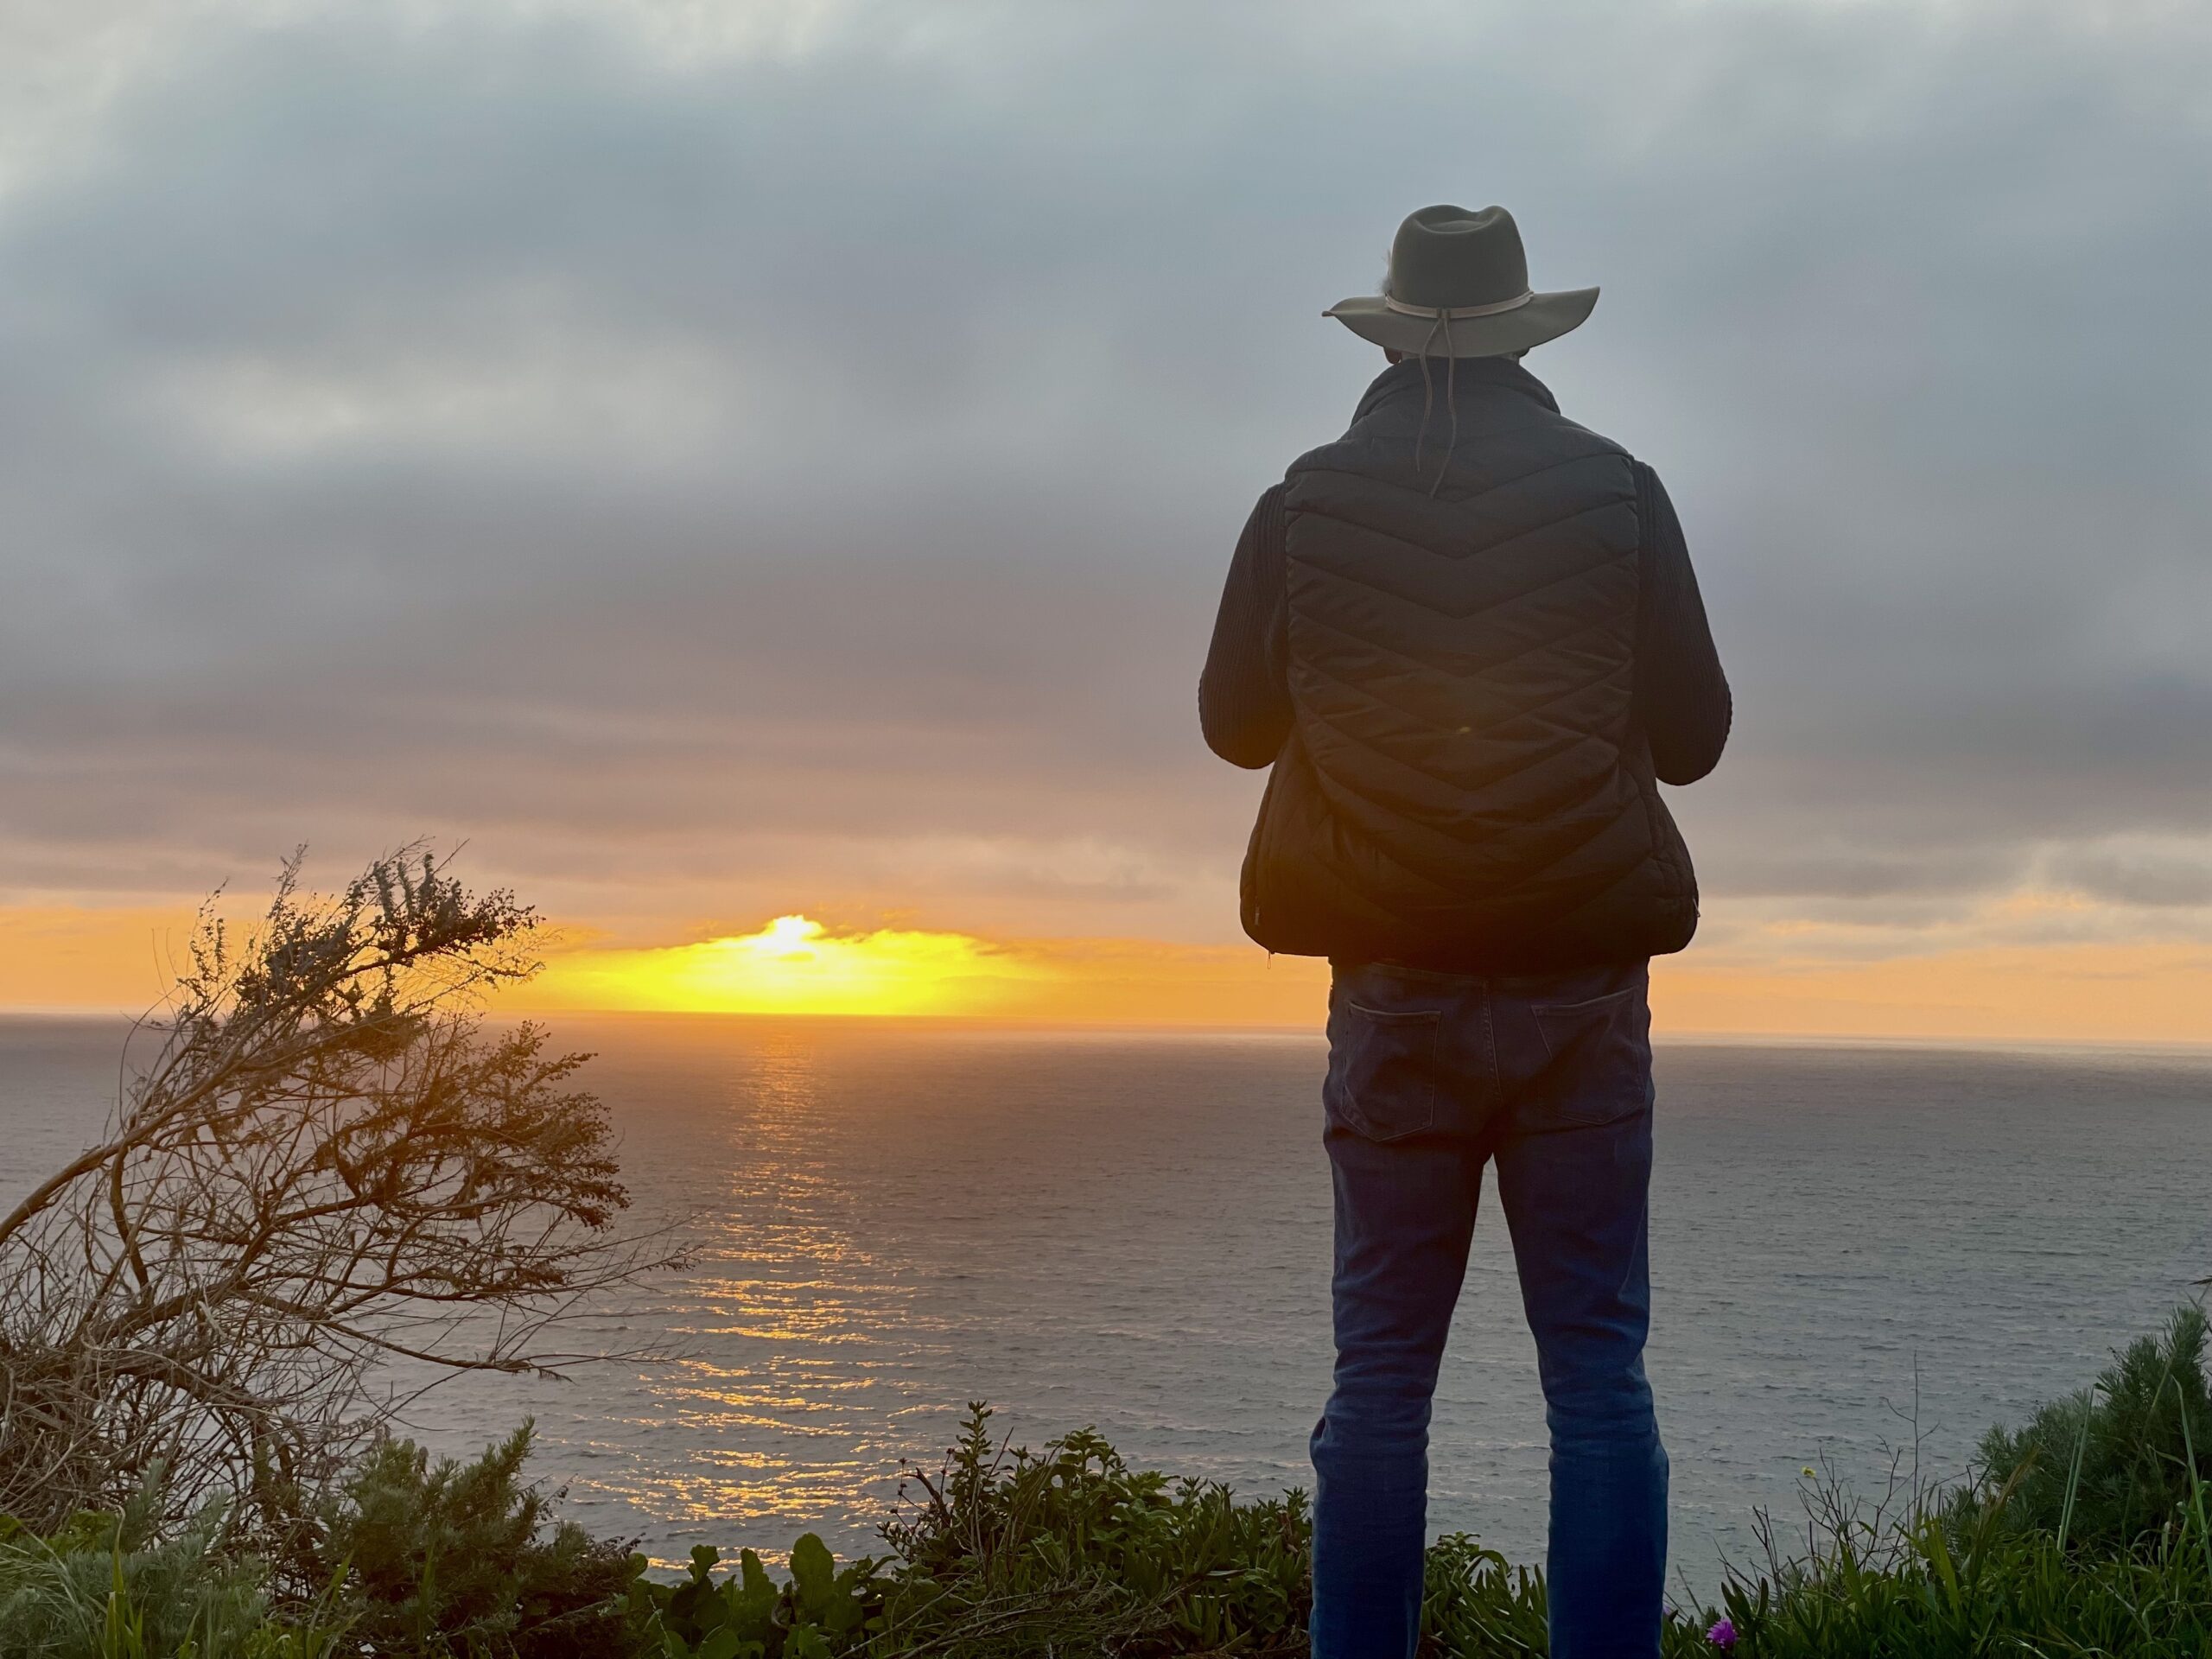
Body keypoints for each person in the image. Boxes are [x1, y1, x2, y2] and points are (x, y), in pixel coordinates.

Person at [1198, 204, 1730, 1659]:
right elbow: (1695, 741)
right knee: (1601, 1385)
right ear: (1522, 332)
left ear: (1390, 330)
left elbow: (1233, 728)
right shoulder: (1622, 492)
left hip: (1394, 987)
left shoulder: (1303, 499)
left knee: (1377, 1386)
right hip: (1580, 990)